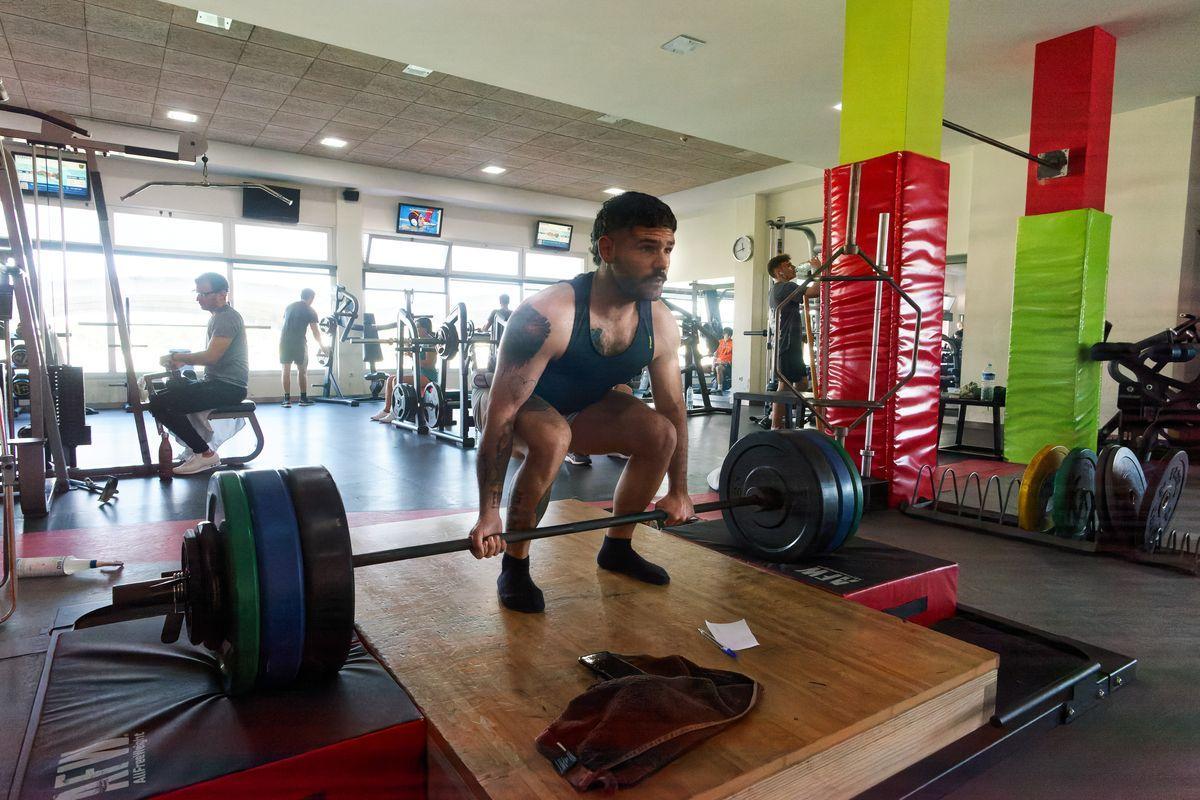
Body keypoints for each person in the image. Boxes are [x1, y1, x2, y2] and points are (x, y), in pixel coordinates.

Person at [469, 191, 694, 613]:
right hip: (509, 406)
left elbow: (673, 410)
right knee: (553, 437)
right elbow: (501, 414)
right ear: (607, 248)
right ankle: (515, 568)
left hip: (581, 407)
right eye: (647, 247)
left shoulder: (659, 321)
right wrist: (488, 514)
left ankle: (618, 548)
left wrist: (679, 492)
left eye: (667, 248)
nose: (662, 262)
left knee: (658, 432)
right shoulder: (548, 314)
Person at [150, 272, 248, 475]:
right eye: (197, 293)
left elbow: (211, 357)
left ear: (222, 294)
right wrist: (180, 360)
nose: (198, 298)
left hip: (229, 388)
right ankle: (197, 449)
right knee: (167, 390)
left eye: (203, 294)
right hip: (217, 383)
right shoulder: (218, 317)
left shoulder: (227, 318)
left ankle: (204, 453)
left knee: (160, 403)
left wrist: (178, 357)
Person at [767, 254, 820, 430]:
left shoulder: (779, 289)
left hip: (792, 344)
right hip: (786, 345)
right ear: (779, 271)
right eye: (788, 265)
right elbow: (814, 291)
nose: (793, 267)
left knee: (802, 383)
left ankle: (792, 420)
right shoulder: (784, 287)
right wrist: (819, 269)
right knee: (784, 386)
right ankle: (776, 427)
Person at [370, 317, 439, 422]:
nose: (415, 330)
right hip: (419, 375)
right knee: (390, 379)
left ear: (424, 328)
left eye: (417, 327)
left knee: (396, 380)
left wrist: (413, 356)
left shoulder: (430, 341)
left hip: (428, 378)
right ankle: (386, 410)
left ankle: (395, 411)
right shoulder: (419, 341)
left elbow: (429, 364)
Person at [280, 288, 327, 407]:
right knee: (302, 370)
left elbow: (286, 323)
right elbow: (315, 331)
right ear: (311, 298)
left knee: (286, 370)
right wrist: (322, 346)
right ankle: (303, 398)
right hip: (299, 342)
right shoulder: (310, 310)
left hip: (284, 341)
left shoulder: (289, 307)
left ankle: (287, 400)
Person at [713, 327, 733, 391]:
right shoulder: (719, 342)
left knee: (718, 368)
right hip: (717, 362)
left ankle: (719, 388)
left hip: (726, 365)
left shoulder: (733, 343)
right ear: (724, 334)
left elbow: (732, 359)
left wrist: (723, 362)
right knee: (700, 367)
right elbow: (715, 354)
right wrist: (713, 363)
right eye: (728, 335)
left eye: (730, 335)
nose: (729, 337)